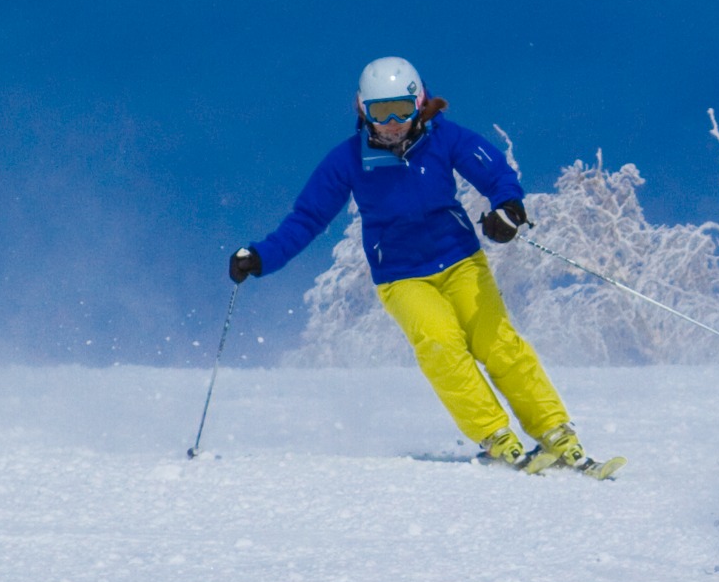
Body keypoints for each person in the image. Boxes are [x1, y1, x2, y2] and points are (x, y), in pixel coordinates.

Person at [230, 57, 608, 477]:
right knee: (440, 343)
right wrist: (262, 256)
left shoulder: (444, 138)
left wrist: (508, 209)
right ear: (361, 110)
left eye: (401, 111)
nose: (391, 123)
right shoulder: (347, 161)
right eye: (378, 113)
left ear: (420, 104)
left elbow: (496, 173)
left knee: (496, 342)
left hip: (461, 261)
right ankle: (495, 435)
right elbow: (307, 219)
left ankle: (555, 431)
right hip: (402, 275)